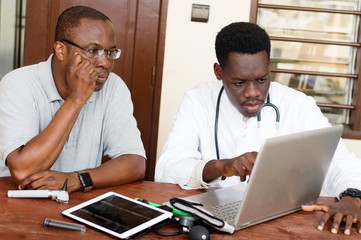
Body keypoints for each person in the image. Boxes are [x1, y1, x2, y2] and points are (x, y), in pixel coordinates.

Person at [155, 22, 361, 235]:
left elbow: (341, 161)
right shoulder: (197, 101)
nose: (253, 92)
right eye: (239, 83)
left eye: (262, 79)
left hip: (282, 223)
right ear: (219, 72)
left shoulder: (298, 104)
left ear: (269, 66)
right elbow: (167, 169)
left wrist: (354, 197)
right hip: (214, 222)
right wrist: (219, 167)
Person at [0, 6, 146, 193]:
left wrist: (77, 179)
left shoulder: (114, 87)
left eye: (110, 52)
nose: (105, 63)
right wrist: (76, 100)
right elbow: (23, 171)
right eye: (93, 50)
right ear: (61, 50)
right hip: (18, 205)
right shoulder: (19, 83)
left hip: (77, 203)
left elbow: (135, 163)